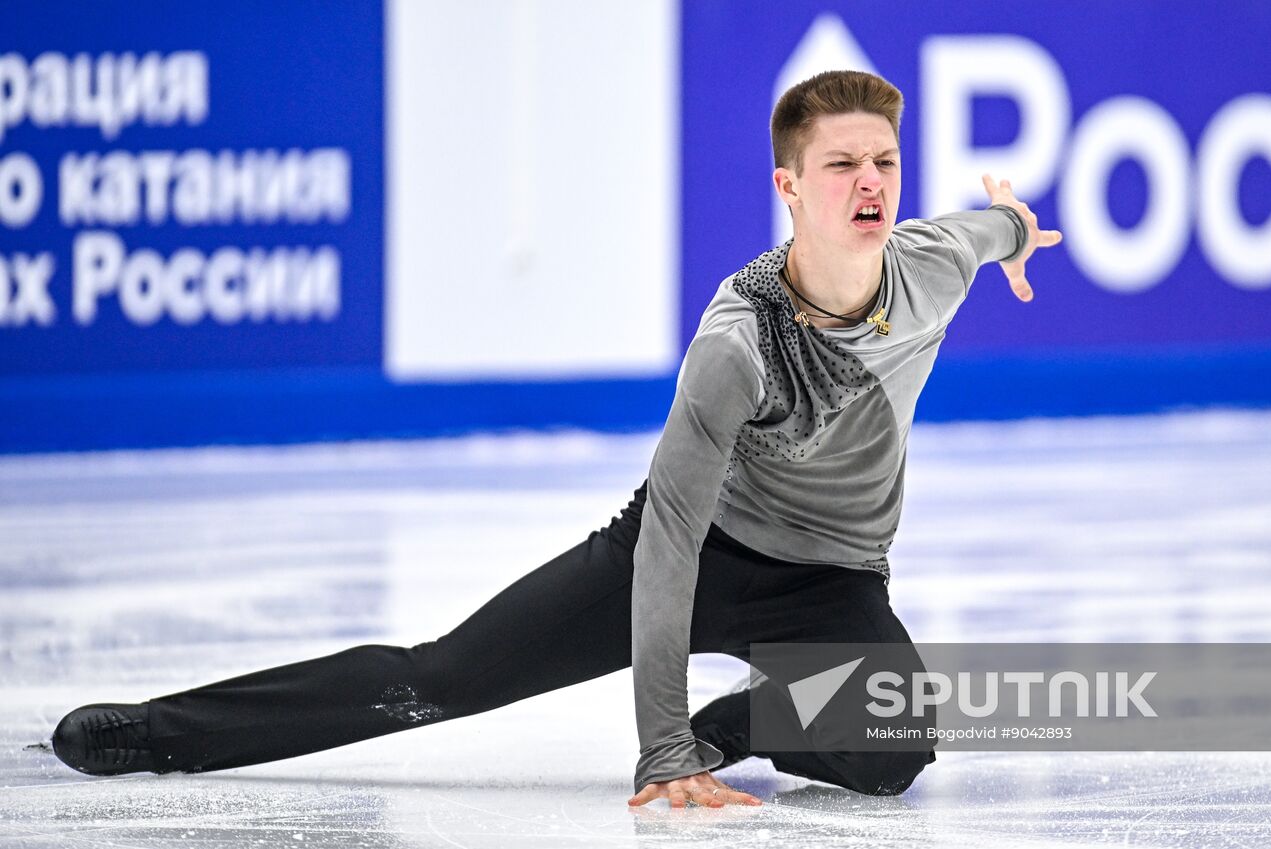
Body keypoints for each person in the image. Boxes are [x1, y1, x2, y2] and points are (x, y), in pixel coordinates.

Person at [50, 70, 1061, 809]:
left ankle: (735, 725)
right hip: (688, 550)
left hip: (832, 579)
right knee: (438, 681)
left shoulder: (931, 263)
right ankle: (160, 731)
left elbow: (991, 229)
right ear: (789, 188)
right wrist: (657, 744)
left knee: (897, 740)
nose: (869, 180)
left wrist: (1014, 228)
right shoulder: (735, 342)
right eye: (839, 163)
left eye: (883, 160)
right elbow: (669, 544)